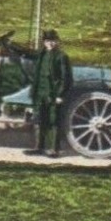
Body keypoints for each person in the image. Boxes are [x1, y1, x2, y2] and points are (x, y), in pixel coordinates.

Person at [25, 29, 72, 157]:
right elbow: (28, 55)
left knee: (53, 120)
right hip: (40, 92)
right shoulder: (41, 54)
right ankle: (38, 147)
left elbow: (66, 78)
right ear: (44, 42)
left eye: (52, 41)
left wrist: (60, 95)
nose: (50, 44)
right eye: (47, 41)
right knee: (39, 120)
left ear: (56, 42)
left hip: (53, 94)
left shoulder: (61, 57)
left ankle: (54, 149)